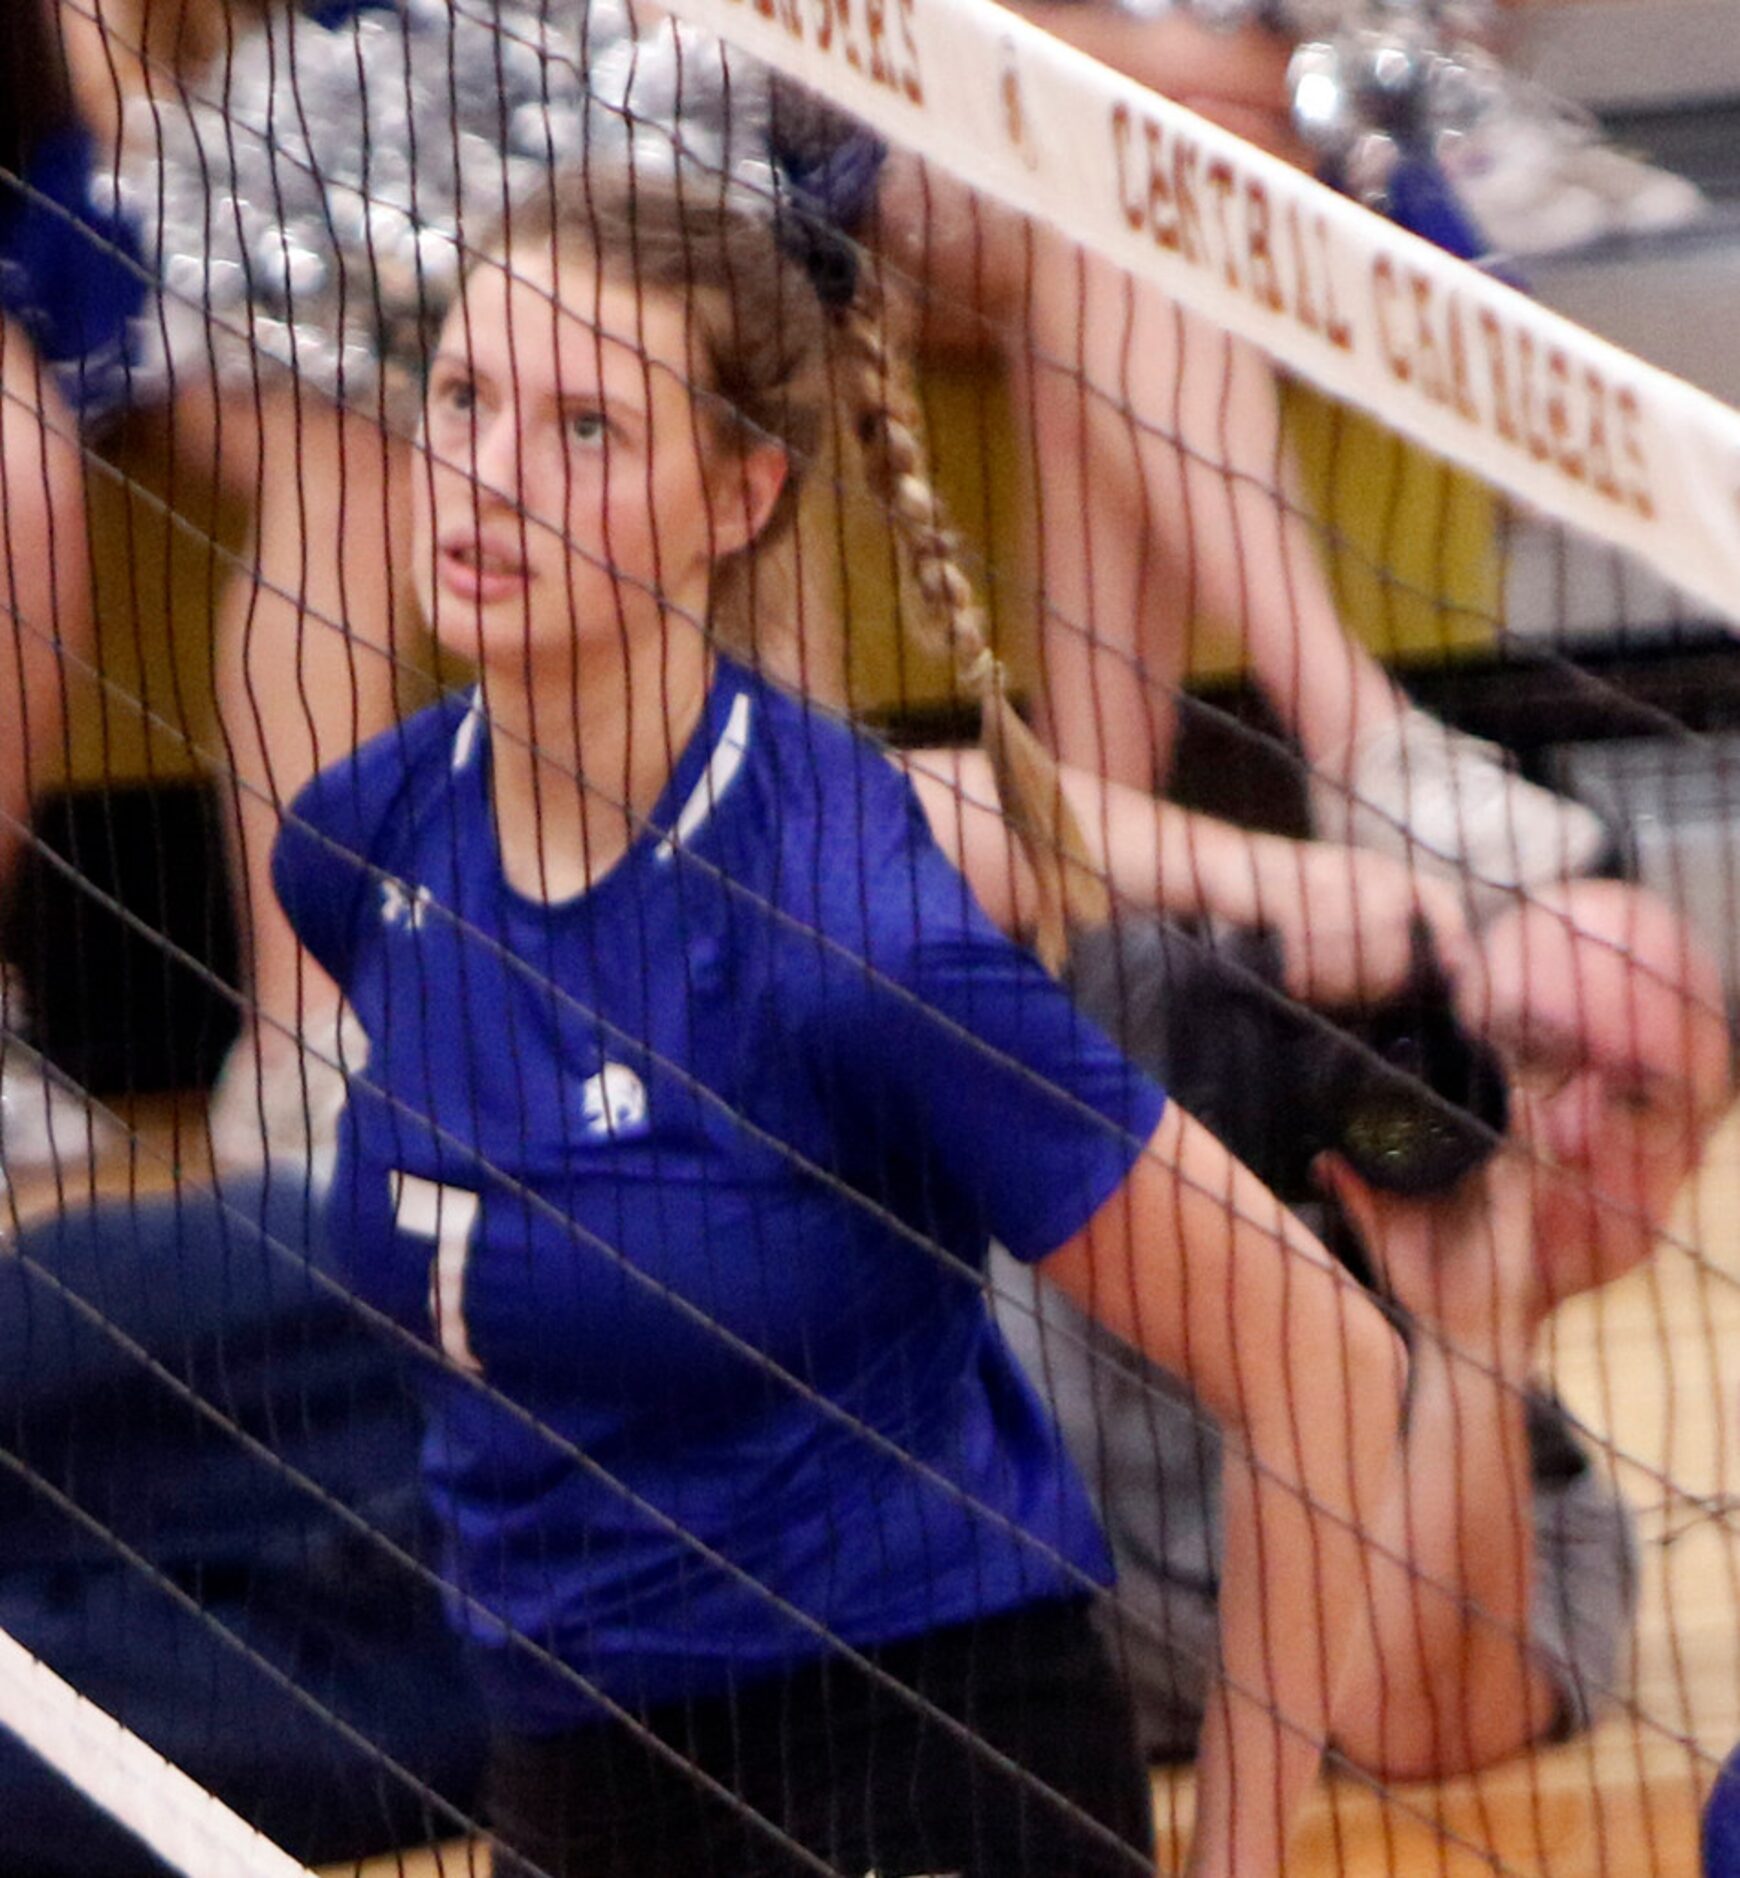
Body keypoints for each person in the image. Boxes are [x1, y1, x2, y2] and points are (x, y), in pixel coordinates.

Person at [265, 147, 1444, 1877]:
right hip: (564, 1774)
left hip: (909, 1766)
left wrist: (1243, 1859)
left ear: (736, 498)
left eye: (585, 428)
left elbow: (1320, 1361)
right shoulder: (360, 842)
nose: (487, 477)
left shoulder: (845, 930)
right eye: (462, 395)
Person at [906, 740, 1730, 1779]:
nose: (1561, 1130)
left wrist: (1470, 1336)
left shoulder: (1555, 1522)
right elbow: (873, 819)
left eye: (1639, 1102)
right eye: (1527, 1050)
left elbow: (1412, 1729)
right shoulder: (1179, 1041)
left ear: (1688, 1176)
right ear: (1431, 1038)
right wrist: (1269, 875)